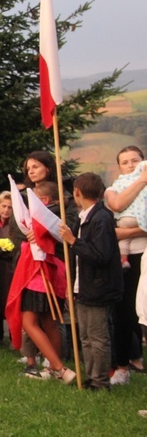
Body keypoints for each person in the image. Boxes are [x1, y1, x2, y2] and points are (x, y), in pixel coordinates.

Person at [60, 172, 123, 390]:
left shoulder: (101, 218)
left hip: (99, 287)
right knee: (85, 336)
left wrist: (73, 241)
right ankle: (91, 375)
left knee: (97, 337)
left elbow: (101, 255)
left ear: (77, 192)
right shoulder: (84, 217)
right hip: (84, 285)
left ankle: (101, 381)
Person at [7, 181, 75, 383]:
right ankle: (55, 367)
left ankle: (59, 368)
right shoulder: (54, 218)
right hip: (51, 275)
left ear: (44, 200)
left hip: (38, 276)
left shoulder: (46, 218)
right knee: (49, 321)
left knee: (29, 322)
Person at [104, 145, 147, 383]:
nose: (130, 165)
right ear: (119, 166)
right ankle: (122, 366)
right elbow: (117, 205)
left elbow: (122, 230)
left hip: (145, 254)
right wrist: (141, 180)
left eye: (135, 160)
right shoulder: (113, 188)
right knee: (123, 312)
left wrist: (127, 232)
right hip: (124, 259)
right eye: (125, 162)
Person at [0, 191, 14, 344]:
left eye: (10, 207)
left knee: (9, 299)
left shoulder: (16, 225)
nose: (6, 210)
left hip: (9, 265)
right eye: (3, 206)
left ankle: (14, 336)